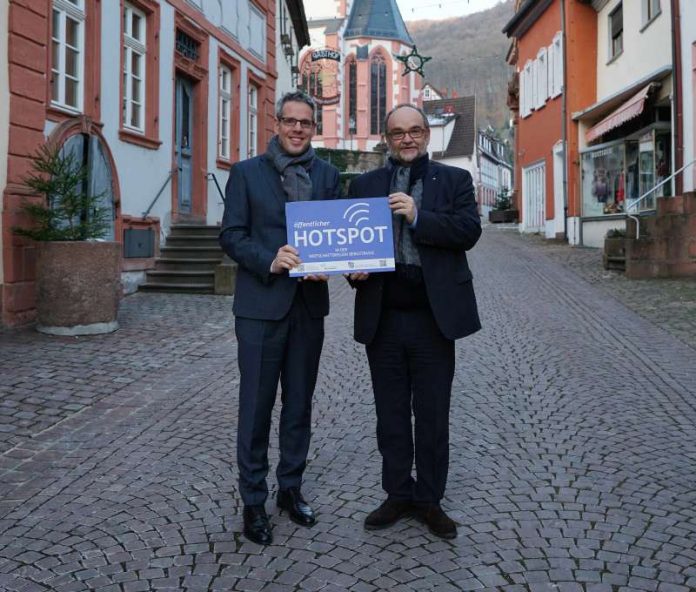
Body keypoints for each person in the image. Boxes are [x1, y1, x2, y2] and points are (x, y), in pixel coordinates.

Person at [348, 104, 481, 540]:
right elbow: (352, 244)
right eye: (398, 133)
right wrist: (353, 269)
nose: (407, 139)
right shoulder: (365, 184)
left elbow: (467, 231)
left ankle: (430, 500)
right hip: (383, 318)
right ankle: (397, 493)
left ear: (427, 135)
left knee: (432, 414)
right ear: (387, 138)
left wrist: (419, 216)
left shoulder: (455, 181)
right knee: (389, 415)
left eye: (415, 131)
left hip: (433, 319)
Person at [219, 91, 340, 545]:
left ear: (314, 128)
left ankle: (290, 489)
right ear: (277, 123)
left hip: (308, 309)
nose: (296, 129)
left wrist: (338, 263)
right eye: (289, 121)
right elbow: (230, 235)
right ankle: (254, 501)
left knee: (299, 406)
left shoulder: (327, 175)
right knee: (255, 408)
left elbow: (338, 236)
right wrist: (269, 259)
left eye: (305, 123)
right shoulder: (247, 173)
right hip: (260, 308)